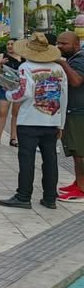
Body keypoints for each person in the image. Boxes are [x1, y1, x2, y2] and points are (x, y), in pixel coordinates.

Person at [0, 33, 68, 210]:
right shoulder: (59, 69)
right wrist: (61, 123)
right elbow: (63, 96)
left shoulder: (26, 67)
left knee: (27, 159)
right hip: (51, 120)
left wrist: (8, 94)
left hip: (29, 120)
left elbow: (24, 93)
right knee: (50, 159)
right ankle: (50, 197)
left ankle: (23, 196)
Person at [56, 32, 84, 203]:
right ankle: (78, 182)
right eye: (58, 43)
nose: (59, 46)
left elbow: (76, 81)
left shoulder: (80, 59)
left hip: (79, 113)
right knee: (75, 151)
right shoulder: (75, 58)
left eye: (64, 44)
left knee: (80, 153)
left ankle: (82, 189)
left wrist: (61, 64)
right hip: (74, 111)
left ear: (76, 44)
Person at [0, 39, 22, 148]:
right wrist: (0, 63)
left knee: (16, 114)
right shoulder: (2, 56)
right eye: (8, 44)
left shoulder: (23, 58)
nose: (9, 46)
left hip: (19, 89)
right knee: (2, 112)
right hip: (4, 87)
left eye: (12, 44)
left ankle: (13, 138)